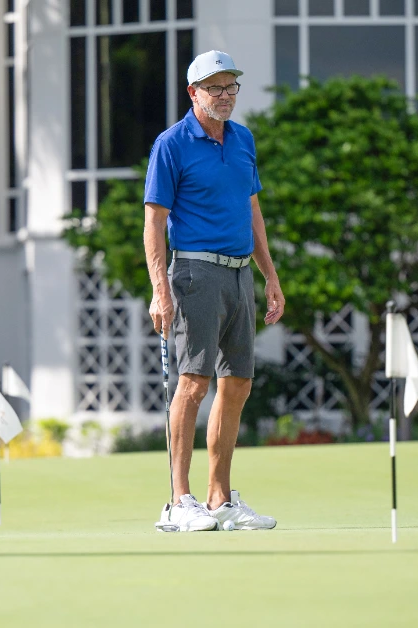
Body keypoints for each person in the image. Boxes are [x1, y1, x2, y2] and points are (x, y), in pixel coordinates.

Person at [143, 51, 285, 532]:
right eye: (215, 88)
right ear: (193, 93)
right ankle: (179, 501)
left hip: (240, 274)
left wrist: (271, 276)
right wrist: (160, 289)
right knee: (193, 382)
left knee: (238, 383)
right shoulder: (171, 144)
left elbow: (253, 212)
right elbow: (154, 223)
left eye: (231, 88)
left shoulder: (243, 140)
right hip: (195, 274)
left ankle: (219, 499)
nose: (225, 97)